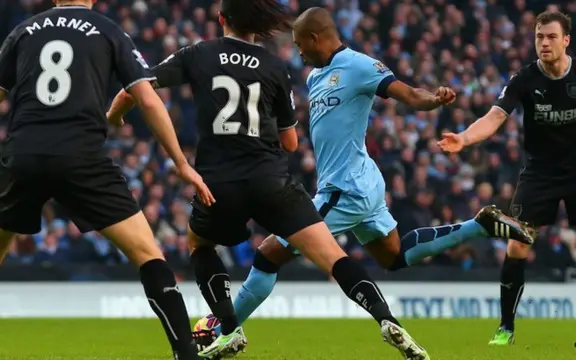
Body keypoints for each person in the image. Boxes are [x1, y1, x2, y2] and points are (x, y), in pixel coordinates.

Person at [108, 1, 447, 359]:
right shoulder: (274, 66)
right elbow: (290, 142)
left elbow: (138, 87)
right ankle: (385, 318)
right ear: (258, 26)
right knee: (333, 256)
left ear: (221, 19)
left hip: (218, 182)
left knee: (200, 244)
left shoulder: (197, 54)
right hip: (271, 181)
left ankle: (228, 326)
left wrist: (116, 114)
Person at [193, 5, 536, 351]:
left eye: (300, 44)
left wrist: (435, 99)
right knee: (394, 255)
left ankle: (224, 327)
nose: (298, 51)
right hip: (359, 184)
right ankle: (479, 225)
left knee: (269, 253)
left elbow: (409, 93)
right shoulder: (314, 76)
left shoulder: (359, 66)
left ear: (315, 38)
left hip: (344, 188)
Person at [0, 1, 214, 360]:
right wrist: (180, 162)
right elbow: (148, 101)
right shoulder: (108, 30)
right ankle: (186, 354)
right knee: (147, 253)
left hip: (25, 154)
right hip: (82, 156)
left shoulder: (23, 31)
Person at [438, 11, 574, 345]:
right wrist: (465, 138)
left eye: (552, 36)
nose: (544, 42)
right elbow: (495, 116)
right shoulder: (524, 79)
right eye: (539, 36)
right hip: (539, 172)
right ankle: (506, 328)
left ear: (566, 40)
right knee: (517, 244)